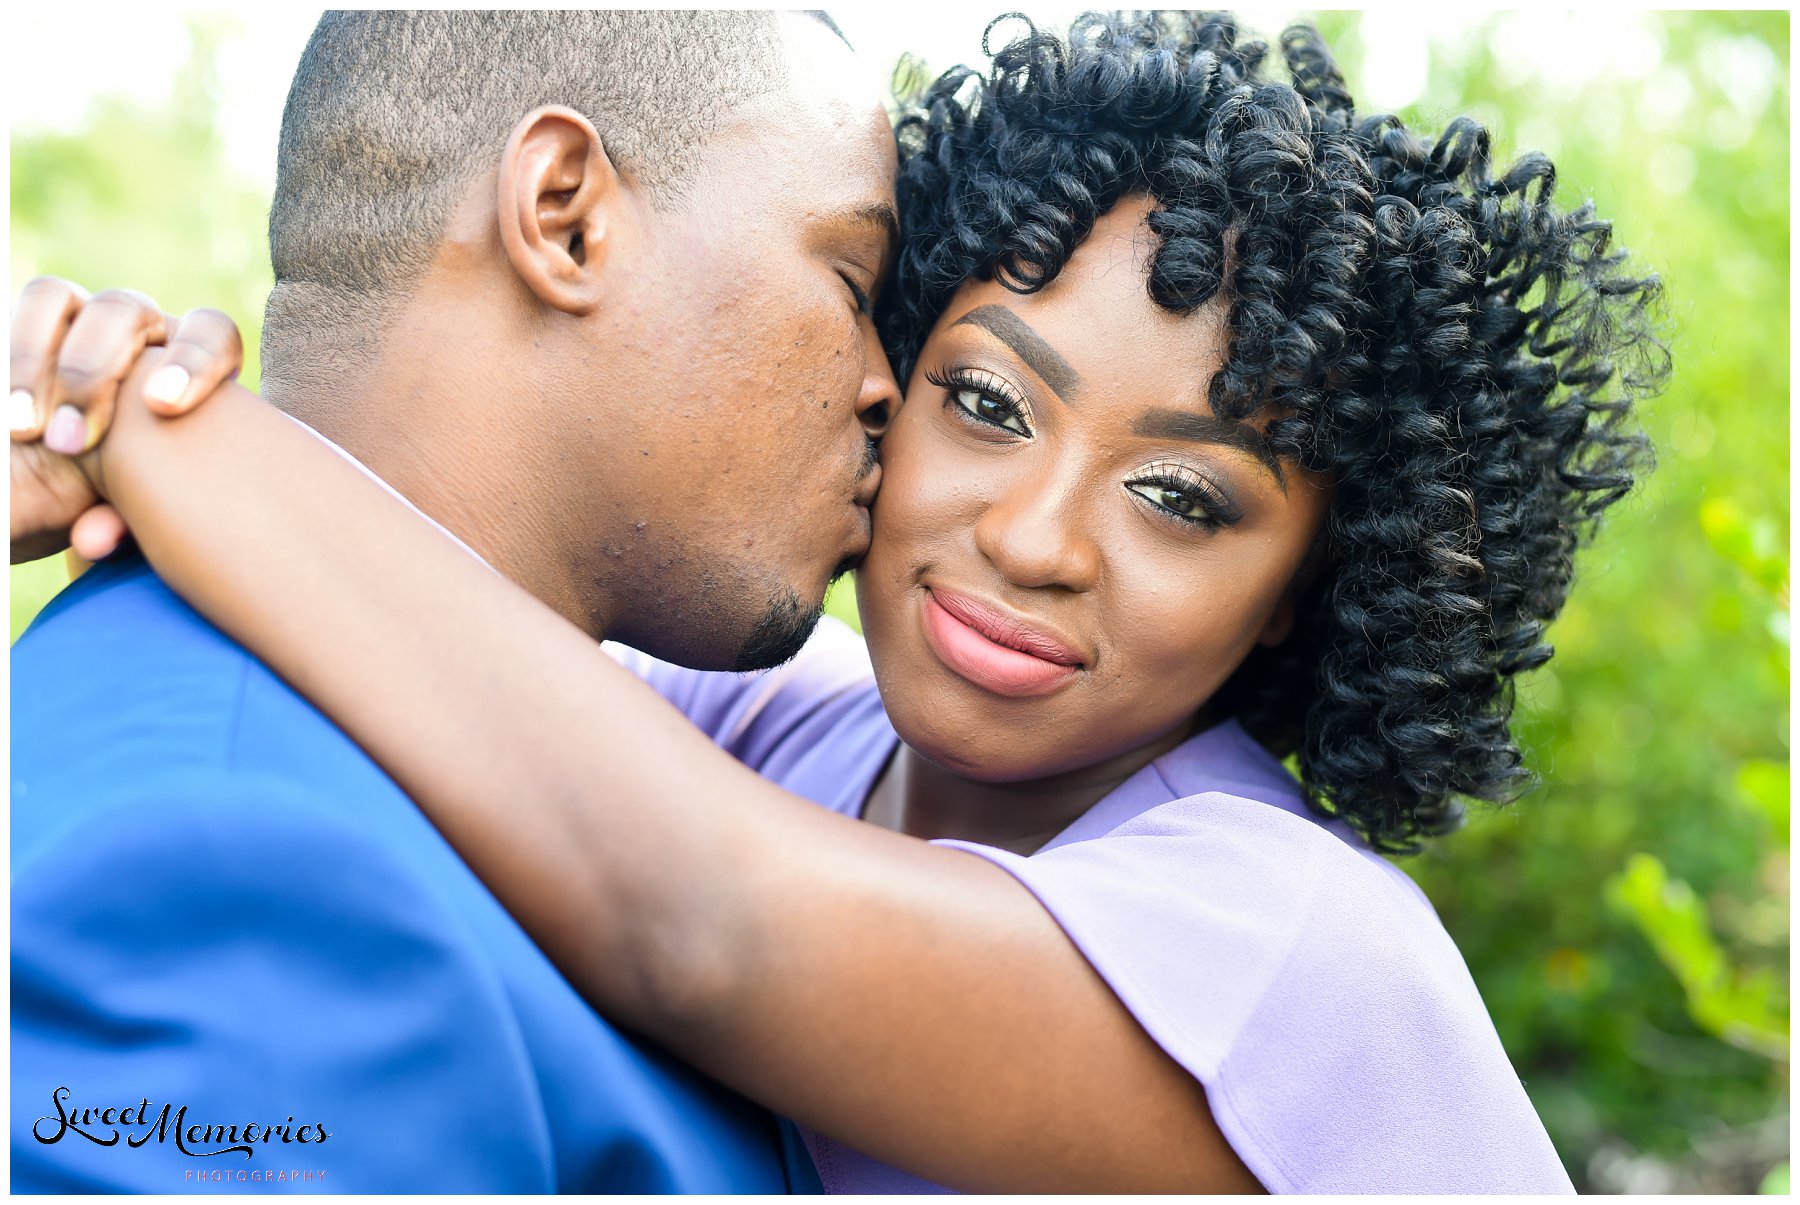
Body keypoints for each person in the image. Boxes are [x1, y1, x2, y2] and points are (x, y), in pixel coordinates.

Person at [12, 11, 1667, 1195]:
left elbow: (710, 915)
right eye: (985, 401)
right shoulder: (780, 742)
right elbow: (459, 643)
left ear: (1306, 599)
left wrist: (148, 418)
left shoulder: (1293, 948)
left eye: (1182, 498)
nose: (1034, 538)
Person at [8, 9, 902, 1192]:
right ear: (565, 214)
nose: (890, 386)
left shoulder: (547, 750)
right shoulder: (239, 854)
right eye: (850, 280)